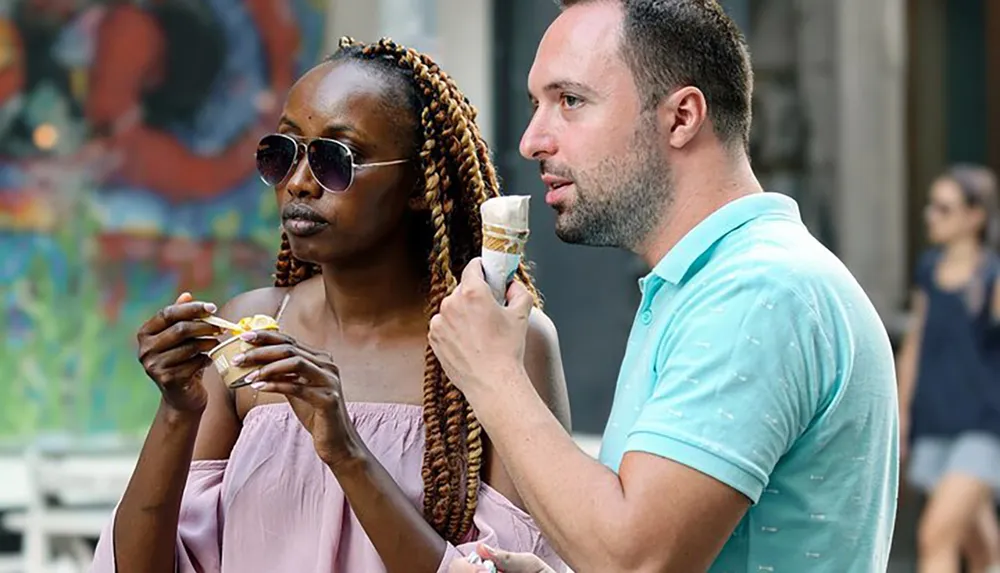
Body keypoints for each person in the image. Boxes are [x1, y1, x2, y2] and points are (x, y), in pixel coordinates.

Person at [432, 1, 899, 572]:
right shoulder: (709, 283)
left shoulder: (756, 291)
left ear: (681, 117)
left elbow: (637, 560)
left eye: (570, 101)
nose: (532, 141)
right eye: (536, 104)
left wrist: (492, 374)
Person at [90, 37, 571, 573]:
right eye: (282, 153)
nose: (298, 182)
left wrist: (345, 450)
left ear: (419, 181)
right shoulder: (255, 330)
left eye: (334, 160)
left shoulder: (501, 340)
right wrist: (177, 412)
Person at [897, 165, 1000, 573]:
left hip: (983, 427)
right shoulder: (928, 269)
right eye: (931, 206)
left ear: (974, 216)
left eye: (943, 208)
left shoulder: (992, 276)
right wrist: (902, 414)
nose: (930, 215)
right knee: (980, 547)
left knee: (935, 535)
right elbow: (915, 346)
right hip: (935, 421)